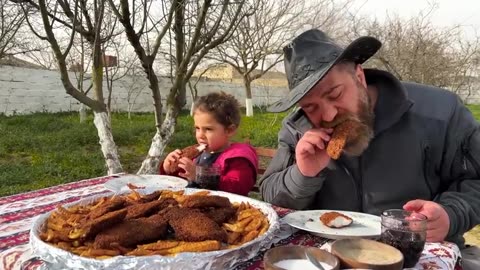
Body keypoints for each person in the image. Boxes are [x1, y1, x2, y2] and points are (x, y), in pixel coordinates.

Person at [259, 29, 480, 268]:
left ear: (359, 76)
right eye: (311, 107)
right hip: (327, 258)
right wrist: (302, 174)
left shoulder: (440, 112)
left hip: (421, 255)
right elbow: (271, 198)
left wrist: (451, 214)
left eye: (335, 94)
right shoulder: (297, 129)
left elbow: (475, 180)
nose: (329, 114)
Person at [160, 91, 258, 196]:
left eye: (208, 129)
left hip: (223, 208)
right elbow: (180, 180)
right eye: (197, 128)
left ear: (229, 130)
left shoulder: (237, 159)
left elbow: (239, 187)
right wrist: (168, 168)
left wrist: (199, 176)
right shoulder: (197, 155)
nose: (200, 135)